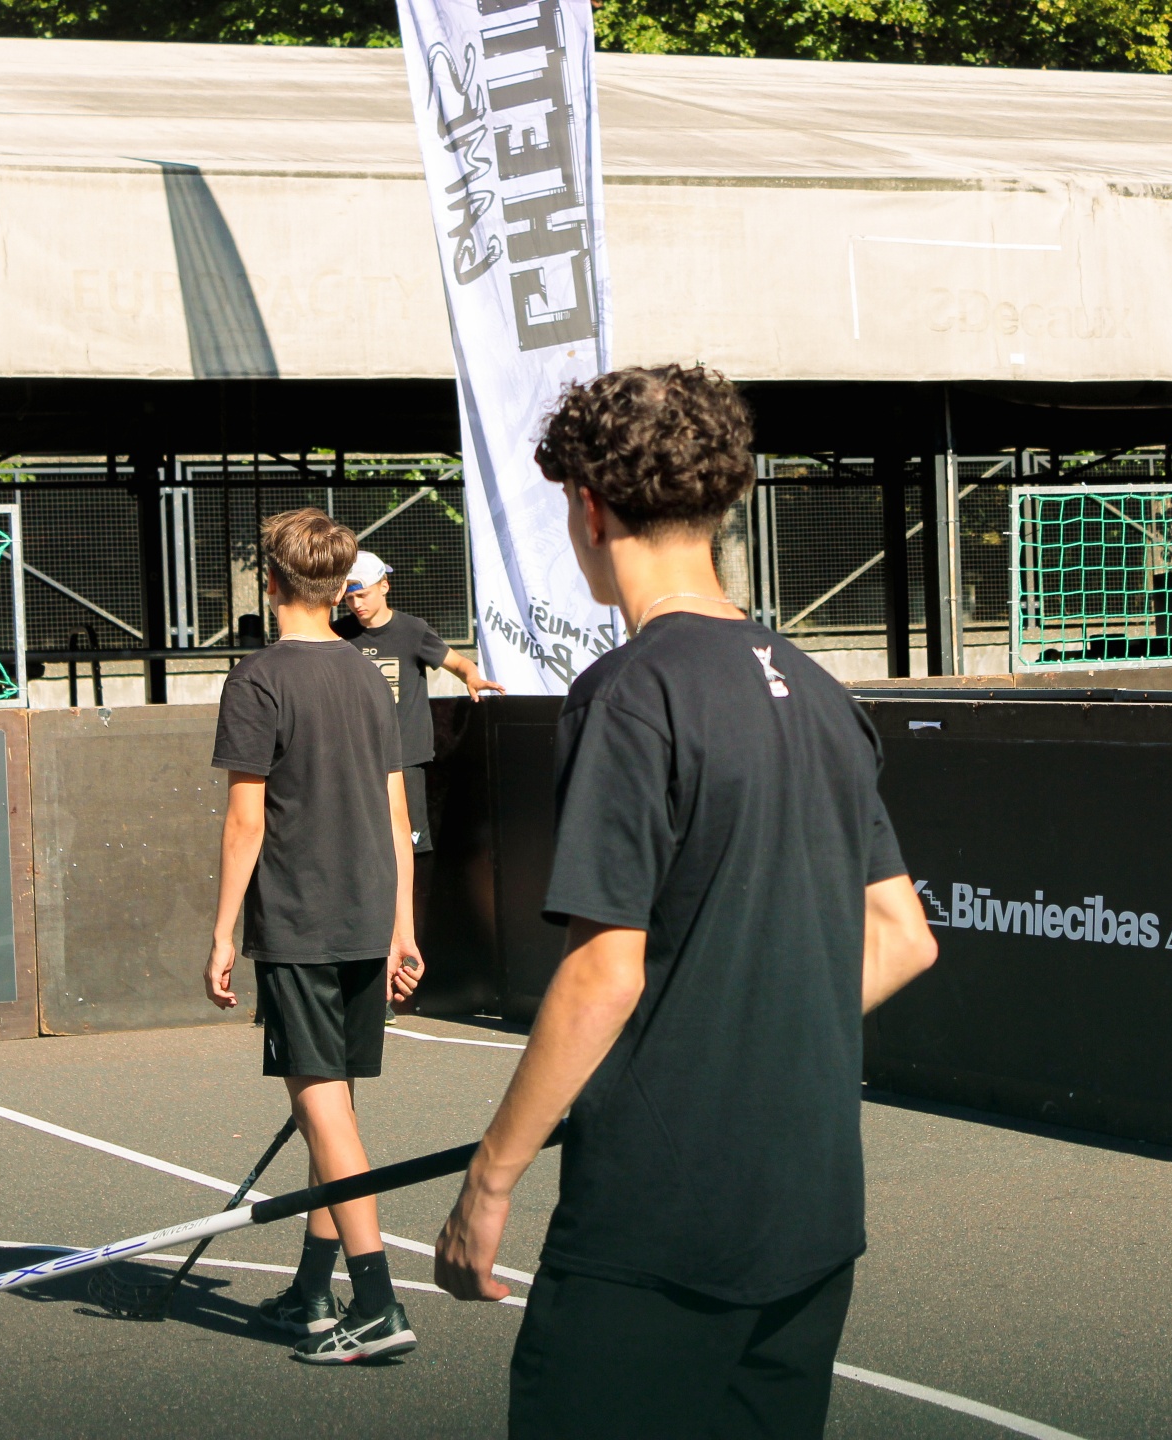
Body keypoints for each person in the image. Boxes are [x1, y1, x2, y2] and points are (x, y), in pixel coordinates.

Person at [431, 364, 939, 1438]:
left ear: (590, 507)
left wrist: (491, 1177)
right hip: (811, 1214)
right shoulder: (820, 690)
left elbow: (603, 973)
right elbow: (902, 939)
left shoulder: (628, 695)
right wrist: (740, 1039)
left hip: (658, 1229)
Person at [206, 507, 425, 1364]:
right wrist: (405, 926)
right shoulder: (370, 674)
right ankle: (311, 1290)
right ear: (338, 586)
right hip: (369, 914)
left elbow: (245, 821)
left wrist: (222, 933)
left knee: (324, 1109)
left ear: (270, 582)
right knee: (335, 1107)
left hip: (303, 921)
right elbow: (397, 811)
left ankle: (376, 1304)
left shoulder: (256, 679)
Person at [335, 549, 505, 861]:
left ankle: (408, 897)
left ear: (384, 586)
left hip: (406, 757)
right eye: (349, 598)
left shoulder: (413, 630)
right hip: (357, 757)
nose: (357, 604)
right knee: (361, 847)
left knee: (410, 847)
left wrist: (472, 677)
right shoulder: (339, 635)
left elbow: (459, 663)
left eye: (363, 595)